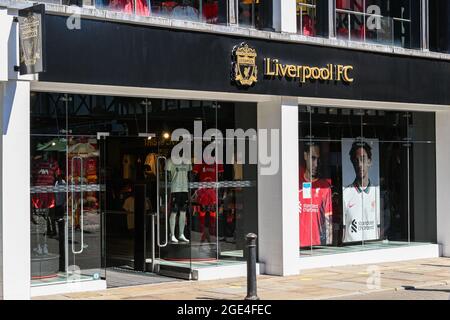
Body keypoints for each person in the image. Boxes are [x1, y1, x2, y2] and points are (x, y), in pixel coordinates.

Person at [342, 140, 380, 243]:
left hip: (373, 250)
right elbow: (343, 230)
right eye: (356, 160)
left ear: (369, 161)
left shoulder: (377, 193)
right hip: (351, 251)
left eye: (363, 159)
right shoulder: (345, 194)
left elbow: (381, 228)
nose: (359, 164)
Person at [298, 142, 333, 247]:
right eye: (313, 158)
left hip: (317, 247)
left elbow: (328, 222)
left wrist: (328, 247)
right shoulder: (294, 185)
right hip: (295, 247)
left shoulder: (324, 187)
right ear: (305, 156)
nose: (316, 164)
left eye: (318, 159)